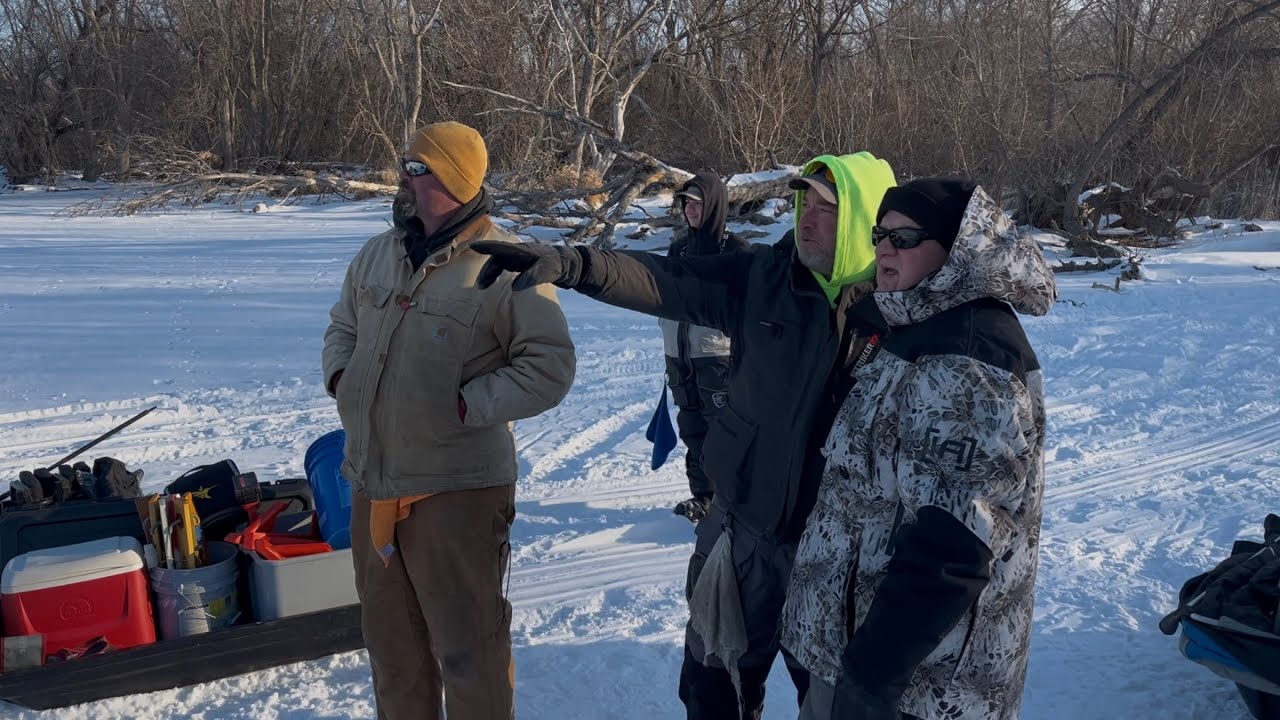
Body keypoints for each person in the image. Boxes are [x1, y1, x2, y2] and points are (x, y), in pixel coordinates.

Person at [470, 154, 897, 719]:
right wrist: (576, 264)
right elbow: (668, 279)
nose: (807, 221)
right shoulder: (766, 276)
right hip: (742, 528)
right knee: (710, 689)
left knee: (834, 706)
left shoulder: (900, 313)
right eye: (803, 204)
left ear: (866, 219)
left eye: (826, 209)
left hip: (838, 555)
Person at [321, 121, 576, 720]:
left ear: (457, 183)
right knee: (393, 654)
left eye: (419, 169)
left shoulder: (506, 265)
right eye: (405, 165)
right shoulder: (378, 253)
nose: (403, 179)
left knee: (470, 656)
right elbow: (342, 326)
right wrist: (342, 377)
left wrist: (467, 405)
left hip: (457, 493)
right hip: (373, 484)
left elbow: (549, 367)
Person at [780, 178, 1056, 720]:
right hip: (856, 653)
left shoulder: (967, 357)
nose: (884, 248)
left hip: (914, 686)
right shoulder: (913, 325)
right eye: (881, 234)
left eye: (905, 238)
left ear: (959, 248)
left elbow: (954, 542)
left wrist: (871, 675)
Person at [663, 172, 749, 523]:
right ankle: (703, 497)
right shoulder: (677, 248)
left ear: (714, 205)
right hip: (679, 353)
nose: (691, 209)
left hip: (717, 356)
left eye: (698, 202)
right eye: (686, 202)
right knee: (691, 428)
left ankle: (732, 499)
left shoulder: (736, 251)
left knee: (722, 432)